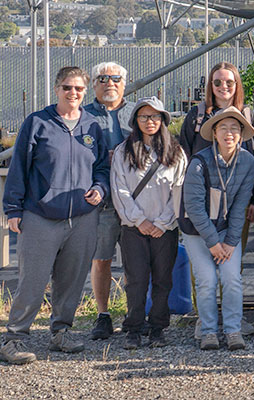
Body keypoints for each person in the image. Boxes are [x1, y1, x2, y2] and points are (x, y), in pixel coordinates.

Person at [0, 67, 108, 365]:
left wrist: (100, 188)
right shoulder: (37, 122)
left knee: (72, 280)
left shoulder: (92, 126)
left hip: (82, 218)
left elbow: (101, 167)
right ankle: (14, 338)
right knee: (32, 281)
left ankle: (61, 332)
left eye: (78, 89)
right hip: (40, 216)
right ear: (57, 89)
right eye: (67, 88)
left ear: (85, 92)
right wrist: (13, 209)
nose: (73, 93)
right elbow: (19, 167)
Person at [110, 97, 187, 350]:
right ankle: (133, 327)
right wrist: (139, 220)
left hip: (165, 229)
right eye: (144, 116)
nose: (149, 121)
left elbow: (179, 190)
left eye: (155, 116)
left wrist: (163, 223)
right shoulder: (124, 151)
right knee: (136, 280)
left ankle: (157, 327)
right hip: (133, 228)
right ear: (135, 121)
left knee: (163, 280)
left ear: (163, 119)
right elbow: (119, 189)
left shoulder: (175, 152)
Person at [180, 107, 254, 351]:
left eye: (235, 128)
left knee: (232, 278)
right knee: (207, 279)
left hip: (226, 230)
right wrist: (213, 243)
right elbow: (193, 207)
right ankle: (208, 330)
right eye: (223, 127)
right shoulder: (198, 162)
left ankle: (233, 330)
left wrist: (230, 242)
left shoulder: (248, 161)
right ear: (214, 133)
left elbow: (240, 205)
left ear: (242, 134)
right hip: (197, 231)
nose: (229, 133)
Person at [82, 61, 132, 340]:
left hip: (135, 201)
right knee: (101, 260)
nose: (109, 83)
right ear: (94, 84)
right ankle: (103, 315)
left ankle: (133, 313)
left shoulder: (138, 112)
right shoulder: (82, 115)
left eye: (115, 78)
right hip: (101, 202)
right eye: (103, 78)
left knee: (135, 263)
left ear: (124, 83)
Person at [181, 62, 251, 158]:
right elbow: (184, 152)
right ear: (211, 85)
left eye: (229, 82)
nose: (224, 86)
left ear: (236, 84)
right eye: (217, 82)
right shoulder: (196, 115)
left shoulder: (248, 115)